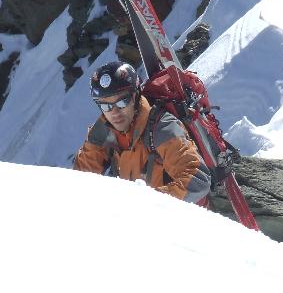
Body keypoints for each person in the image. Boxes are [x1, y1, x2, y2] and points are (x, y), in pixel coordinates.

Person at [73, 61, 211, 203]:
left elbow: (198, 179)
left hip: (179, 218)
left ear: (135, 96)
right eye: (105, 106)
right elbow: (79, 181)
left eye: (121, 102)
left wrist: (148, 203)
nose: (114, 113)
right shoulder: (104, 130)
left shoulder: (163, 128)